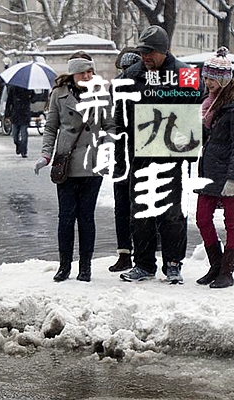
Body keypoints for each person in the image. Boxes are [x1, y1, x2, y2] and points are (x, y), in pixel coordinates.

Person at [114, 25, 203, 284]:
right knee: (141, 211)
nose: (146, 57)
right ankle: (144, 264)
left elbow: (198, 111)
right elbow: (119, 114)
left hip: (173, 153)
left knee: (172, 212)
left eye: (151, 52)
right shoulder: (131, 75)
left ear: (165, 51)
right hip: (140, 153)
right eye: (143, 52)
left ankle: (173, 264)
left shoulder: (185, 74)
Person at [34, 51, 115, 282]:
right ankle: (64, 266)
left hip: (92, 162)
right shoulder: (58, 94)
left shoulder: (102, 93)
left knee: (86, 216)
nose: (88, 75)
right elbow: (51, 127)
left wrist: (108, 145)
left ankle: (86, 267)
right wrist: (45, 154)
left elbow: (110, 125)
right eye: (83, 72)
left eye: (91, 71)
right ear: (73, 74)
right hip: (66, 163)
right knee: (66, 217)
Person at [196, 47, 234, 288]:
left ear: (223, 79)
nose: (207, 82)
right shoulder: (210, 104)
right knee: (202, 219)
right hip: (210, 173)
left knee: (232, 222)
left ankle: (227, 272)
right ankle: (216, 265)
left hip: (231, 173)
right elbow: (208, 137)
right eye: (205, 77)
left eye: (211, 78)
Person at [109, 50, 142, 273]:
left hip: (135, 155)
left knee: (133, 207)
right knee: (124, 206)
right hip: (122, 156)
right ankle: (126, 253)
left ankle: (136, 253)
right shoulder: (118, 88)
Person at [5, 84, 33, 158]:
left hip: (25, 114)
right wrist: (7, 114)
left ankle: (24, 151)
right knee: (15, 136)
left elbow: (33, 99)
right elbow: (9, 102)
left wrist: (31, 94)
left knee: (24, 134)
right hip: (15, 115)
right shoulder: (13, 89)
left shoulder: (28, 88)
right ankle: (18, 145)